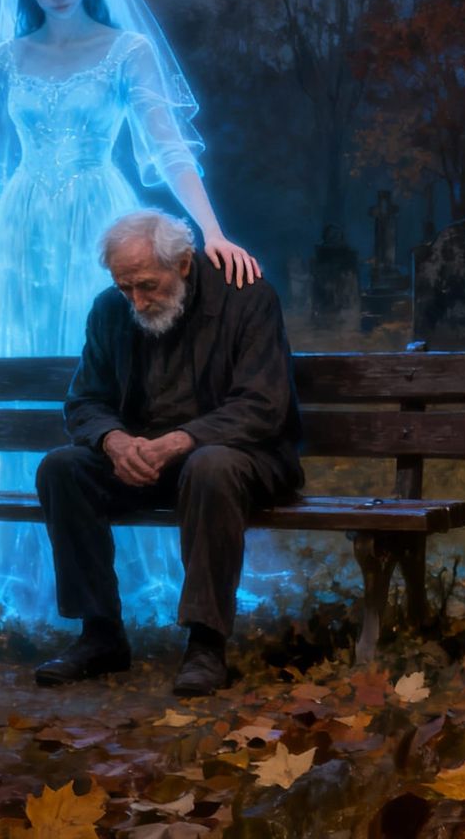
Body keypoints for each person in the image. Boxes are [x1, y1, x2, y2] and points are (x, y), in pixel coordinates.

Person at [0, 0, 264, 624]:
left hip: (99, 220)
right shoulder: (5, 60)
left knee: (110, 372)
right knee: (22, 378)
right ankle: (18, 576)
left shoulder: (126, 49)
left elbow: (169, 145)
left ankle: (138, 565)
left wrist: (210, 231)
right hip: (21, 234)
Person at [33, 208, 303, 694]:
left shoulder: (247, 298)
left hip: (239, 455)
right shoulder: (110, 310)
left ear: (181, 264)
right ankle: (100, 635)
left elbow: (263, 405)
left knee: (210, 466)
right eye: (125, 287)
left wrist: (183, 440)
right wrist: (113, 441)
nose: (136, 300)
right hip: (147, 459)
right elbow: (84, 400)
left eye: (147, 286)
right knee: (63, 468)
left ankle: (206, 643)